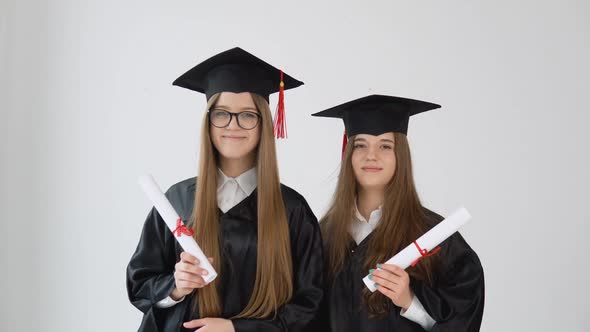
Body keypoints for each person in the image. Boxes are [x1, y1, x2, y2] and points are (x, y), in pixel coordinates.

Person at [127, 47, 323, 332]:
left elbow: (310, 304)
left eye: (247, 115)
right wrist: (176, 287)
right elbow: (140, 284)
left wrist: (237, 328)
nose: (233, 125)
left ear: (263, 124)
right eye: (222, 114)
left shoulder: (292, 209)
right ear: (208, 121)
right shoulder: (177, 200)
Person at [312, 94, 485, 331]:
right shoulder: (324, 234)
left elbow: (463, 318)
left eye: (385, 146)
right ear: (349, 153)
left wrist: (410, 301)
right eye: (361, 145)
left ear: (400, 156)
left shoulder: (432, 233)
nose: (371, 155)